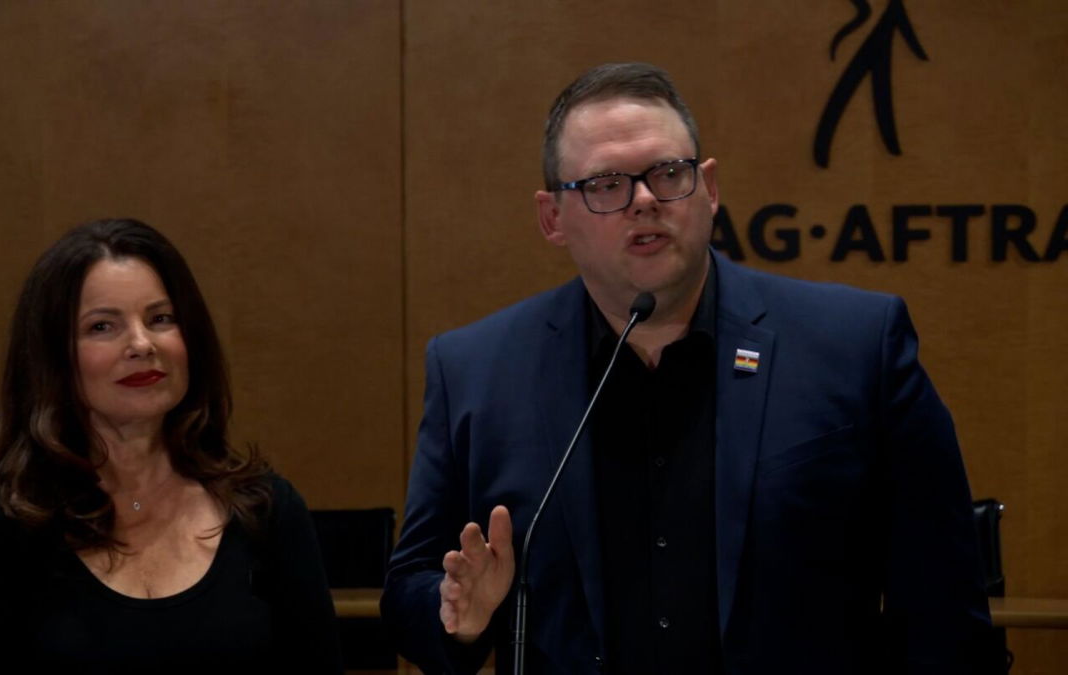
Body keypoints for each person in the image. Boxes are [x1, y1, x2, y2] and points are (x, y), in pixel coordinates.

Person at [381, 63, 991, 674]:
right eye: (606, 184)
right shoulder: (477, 371)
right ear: (552, 219)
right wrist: (460, 613)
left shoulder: (857, 346)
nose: (644, 200)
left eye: (668, 174)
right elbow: (412, 585)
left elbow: (940, 596)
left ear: (710, 188)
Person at [0, 219, 341, 672]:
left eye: (161, 318)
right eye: (103, 326)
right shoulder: (5, 524)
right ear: (53, 356)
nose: (142, 344)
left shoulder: (266, 509)